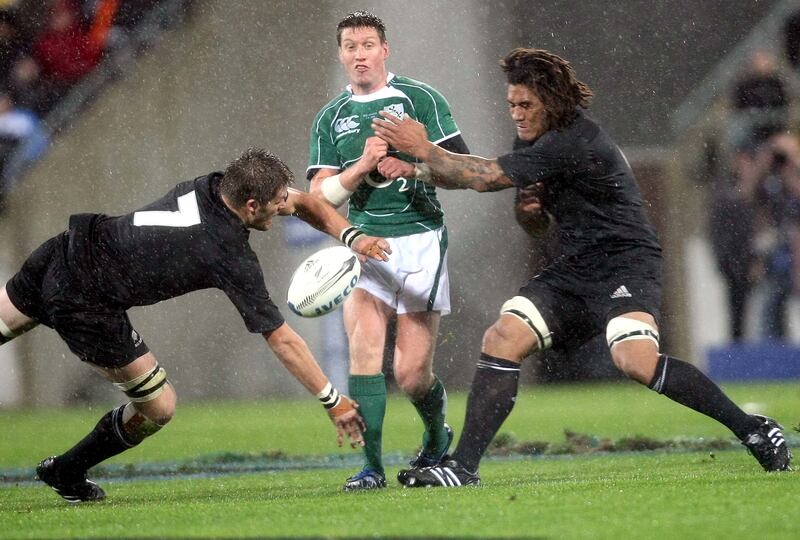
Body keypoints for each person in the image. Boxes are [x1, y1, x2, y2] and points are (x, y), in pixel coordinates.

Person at [372, 48, 793, 486]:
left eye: (525, 105)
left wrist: (422, 151)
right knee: (503, 336)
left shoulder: (574, 140)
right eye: (511, 104)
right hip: (576, 268)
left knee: (633, 359)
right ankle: (462, 469)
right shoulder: (533, 142)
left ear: (550, 102)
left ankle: (754, 429)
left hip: (624, 262)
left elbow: (484, 177)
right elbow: (533, 223)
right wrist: (524, 210)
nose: (516, 114)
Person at [0, 147, 391, 502]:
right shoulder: (227, 253)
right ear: (252, 205)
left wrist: (352, 237)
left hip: (63, 249)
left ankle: (66, 471)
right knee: (159, 407)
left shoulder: (217, 184)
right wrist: (332, 401)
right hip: (87, 304)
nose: (282, 209)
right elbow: (283, 340)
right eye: (275, 204)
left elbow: (303, 202)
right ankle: (67, 471)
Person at [307, 11, 470, 491]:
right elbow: (319, 199)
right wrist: (360, 169)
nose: (360, 54)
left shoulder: (420, 99)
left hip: (419, 237)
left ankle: (437, 433)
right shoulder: (330, 118)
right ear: (341, 54)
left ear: (385, 50)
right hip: (362, 244)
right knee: (364, 351)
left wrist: (413, 166)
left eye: (368, 45)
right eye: (350, 46)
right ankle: (372, 468)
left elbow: (463, 169)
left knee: (412, 373)